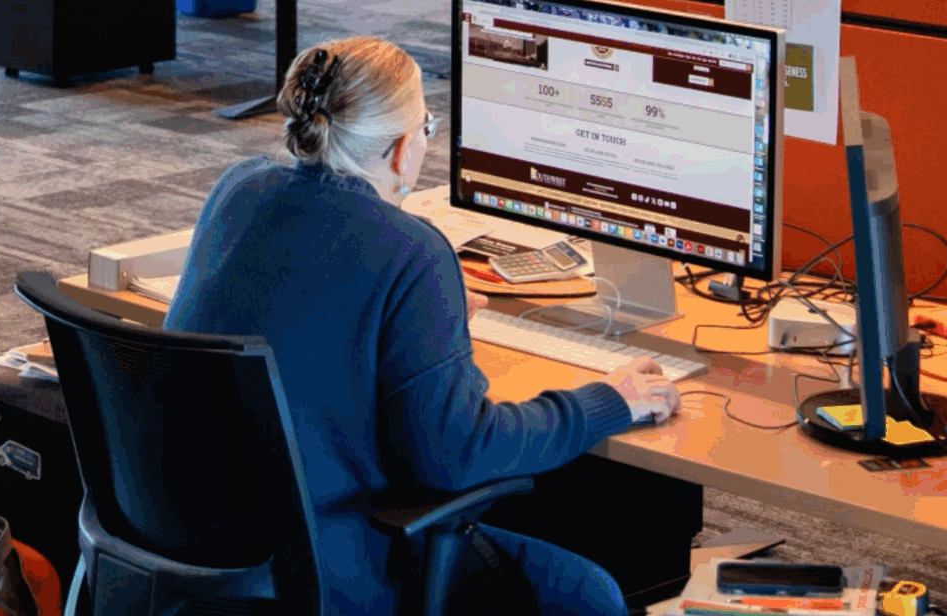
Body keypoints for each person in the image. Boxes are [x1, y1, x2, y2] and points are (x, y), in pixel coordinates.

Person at [165, 37, 680, 616]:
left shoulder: (237, 188)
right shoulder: (411, 251)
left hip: (189, 547)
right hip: (321, 571)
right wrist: (611, 401)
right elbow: (455, 455)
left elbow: (308, 320)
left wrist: (430, 321)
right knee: (587, 591)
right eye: (427, 128)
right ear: (402, 148)